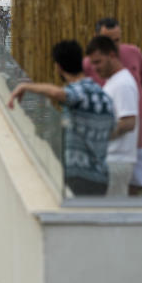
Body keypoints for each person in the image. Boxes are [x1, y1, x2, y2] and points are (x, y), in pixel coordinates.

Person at [9, 40, 115, 196]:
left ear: (58, 67)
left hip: (79, 176)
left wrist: (26, 86)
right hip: (102, 176)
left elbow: (60, 94)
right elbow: (113, 129)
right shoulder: (103, 95)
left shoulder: (78, 91)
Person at [84, 17, 142, 191]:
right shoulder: (91, 65)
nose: (114, 45)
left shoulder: (133, 56)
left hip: (139, 137)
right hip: (114, 149)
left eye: (117, 40)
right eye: (109, 40)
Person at [85, 36, 139, 197]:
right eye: (92, 63)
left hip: (117, 161)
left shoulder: (122, 84)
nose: (94, 68)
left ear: (112, 55)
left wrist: (99, 135)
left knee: (112, 214)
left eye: (98, 62)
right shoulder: (114, 82)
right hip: (111, 160)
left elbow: (129, 122)